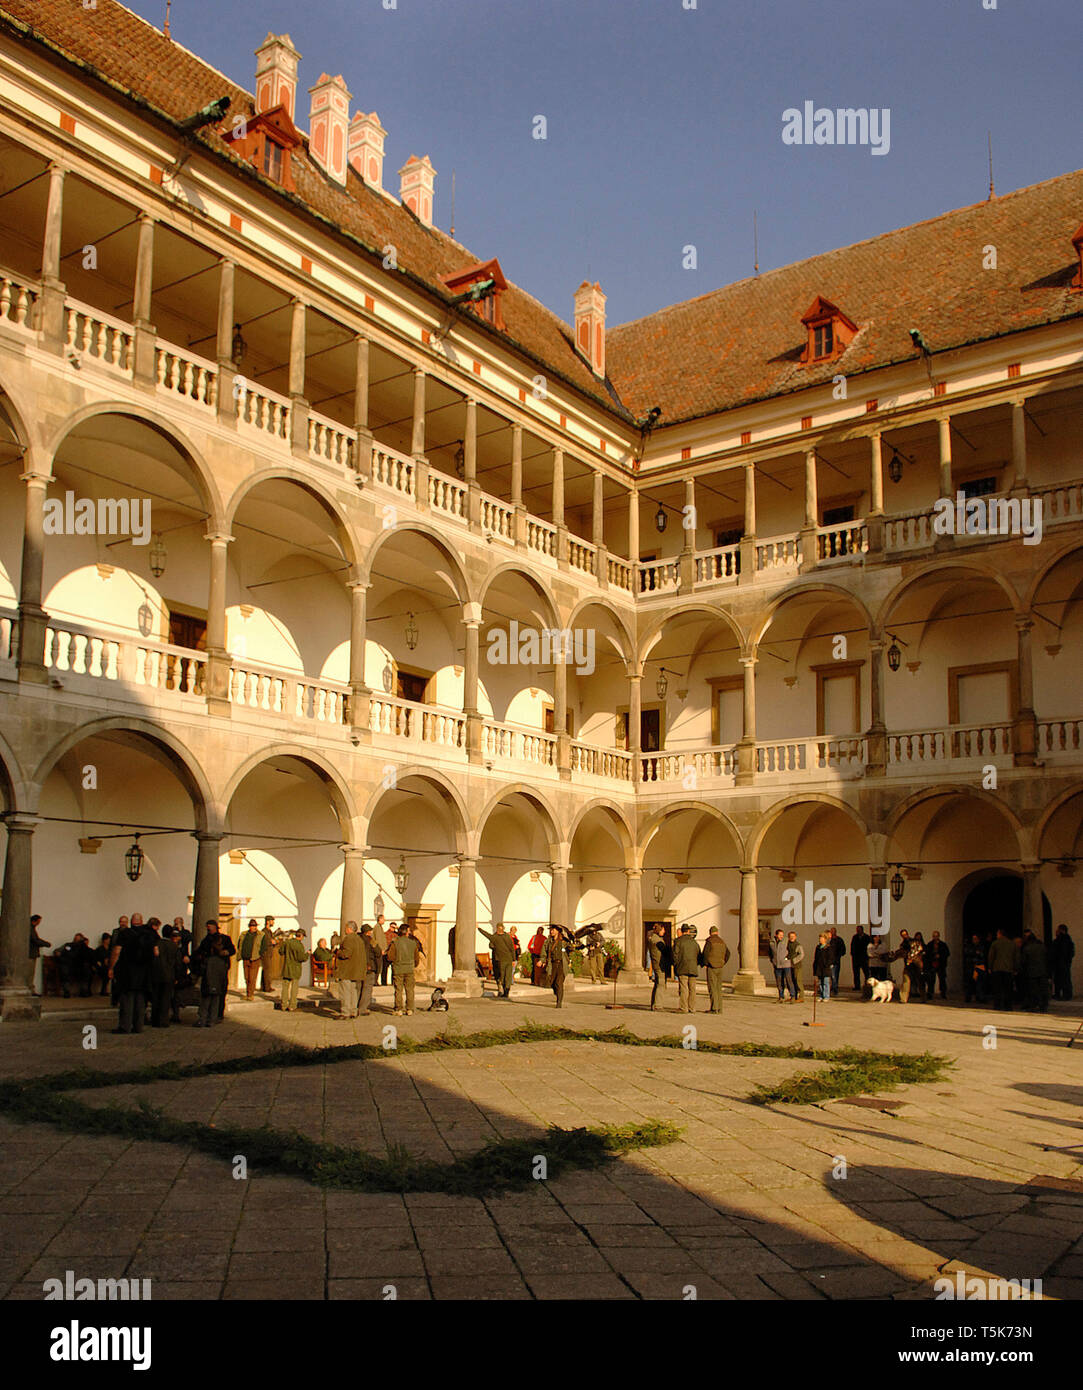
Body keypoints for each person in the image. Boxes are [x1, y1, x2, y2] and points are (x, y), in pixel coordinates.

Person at [109, 916, 155, 1034]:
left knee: (127, 999)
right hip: (144, 972)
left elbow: (117, 951)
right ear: (141, 921)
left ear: (131, 922)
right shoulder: (150, 934)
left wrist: (112, 967)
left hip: (127, 971)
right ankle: (138, 1026)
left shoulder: (125, 933)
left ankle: (125, 1026)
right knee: (140, 1000)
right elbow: (155, 952)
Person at [194, 920, 235, 1019]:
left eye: (210, 927)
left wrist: (225, 952)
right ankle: (209, 1015)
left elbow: (232, 950)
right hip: (209, 970)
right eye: (207, 927)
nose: (209, 929)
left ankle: (218, 1015)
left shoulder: (225, 939)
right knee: (208, 992)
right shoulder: (206, 940)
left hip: (221, 970)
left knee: (220, 993)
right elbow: (199, 952)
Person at [151, 923, 179, 1028]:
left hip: (157, 974)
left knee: (156, 997)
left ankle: (155, 1019)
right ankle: (163, 1020)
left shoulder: (157, 943)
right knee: (166, 999)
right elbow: (177, 963)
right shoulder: (174, 946)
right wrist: (177, 976)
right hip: (169, 975)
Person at [196, 937, 229, 1027]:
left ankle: (202, 1020)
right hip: (218, 985)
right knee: (215, 1003)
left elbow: (202, 971)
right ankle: (212, 1021)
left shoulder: (207, 961)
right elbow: (223, 976)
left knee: (205, 1003)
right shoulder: (222, 962)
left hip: (208, 984)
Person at [334, 922, 363, 1019]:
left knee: (345, 991)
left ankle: (345, 1011)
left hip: (347, 969)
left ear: (350, 929)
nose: (345, 929)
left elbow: (346, 953)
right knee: (353, 991)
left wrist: (337, 952)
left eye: (346, 928)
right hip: (355, 969)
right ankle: (353, 1011)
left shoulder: (349, 939)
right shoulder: (359, 939)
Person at [480, 923, 517, 999]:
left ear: (497, 929)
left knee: (503, 976)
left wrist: (478, 928)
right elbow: (512, 948)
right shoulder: (507, 936)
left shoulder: (495, 937)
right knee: (507, 976)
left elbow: (487, 935)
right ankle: (506, 992)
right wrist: (514, 959)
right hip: (508, 959)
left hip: (501, 960)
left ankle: (505, 992)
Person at [389, 924, 420, 1015]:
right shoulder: (413, 943)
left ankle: (398, 1009)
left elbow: (390, 956)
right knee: (410, 989)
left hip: (398, 968)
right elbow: (416, 957)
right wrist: (414, 965)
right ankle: (409, 1009)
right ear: (406, 932)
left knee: (398, 989)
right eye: (409, 931)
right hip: (409, 969)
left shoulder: (395, 942)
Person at [987, 928, 1019, 1012]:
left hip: (997, 969)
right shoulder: (1013, 944)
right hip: (1008, 969)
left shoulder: (995, 943)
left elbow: (991, 957)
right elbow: (1016, 957)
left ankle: (997, 1005)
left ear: (1000, 934)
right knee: (1008, 988)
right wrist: (1016, 968)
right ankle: (1008, 1006)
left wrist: (990, 967)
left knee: (997, 988)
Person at [672, 924, 702, 1014]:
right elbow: (699, 954)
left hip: (682, 967)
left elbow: (675, 955)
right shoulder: (694, 942)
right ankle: (692, 1008)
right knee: (692, 988)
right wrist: (697, 963)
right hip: (693, 968)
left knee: (684, 988)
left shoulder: (678, 941)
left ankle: (683, 1007)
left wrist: (676, 964)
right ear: (688, 931)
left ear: (681, 931)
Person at [1018, 929, 1049, 1013]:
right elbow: (1047, 958)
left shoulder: (1027, 948)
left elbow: (1023, 961)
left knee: (1033, 990)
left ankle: (1033, 1005)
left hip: (1031, 972)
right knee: (1043, 990)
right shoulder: (1042, 947)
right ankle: (1043, 1006)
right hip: (1042, 971)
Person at [702, 927, 730, 1013]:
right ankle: (720, 1008)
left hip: (712, 967)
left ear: (710, 932)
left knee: (712, 988)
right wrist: (723, 962)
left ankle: (714, 1008)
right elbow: (728, 953)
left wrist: (705, 964)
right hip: (720, 967)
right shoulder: (722, 941)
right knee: (718, 988)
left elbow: (705, 954)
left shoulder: (710, 941)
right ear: (717, 932)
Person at [279, 929, 308, 1012]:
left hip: (287, 967)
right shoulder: (299, 945)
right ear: (301, 936)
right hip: (295, 968)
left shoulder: (287, 942)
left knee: (285, 987)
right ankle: (292, 1005)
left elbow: (280, 951)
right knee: (294, 987)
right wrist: (307, 954)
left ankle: (284, 1005)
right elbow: (301, 958)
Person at [541, 925, 568, 1008]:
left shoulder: (563, 941)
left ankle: (559, 1002)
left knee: (559, 983)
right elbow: (544, 951)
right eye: (551, 930)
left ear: (557, 931)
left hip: (561, 965)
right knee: (552, 983)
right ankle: (557, 994)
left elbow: (571, 948)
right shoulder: (548, 941)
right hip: (552, 964)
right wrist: (542, 960)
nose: (551, 931)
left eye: (553, 930)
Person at [237, 918, 264, 999]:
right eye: (252, 926)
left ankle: (251, 994)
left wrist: (259, 954)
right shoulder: (243, 934)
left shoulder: (261, 935)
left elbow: (264, 946)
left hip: (255, 958)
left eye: (255, 926)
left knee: (252, 978)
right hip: (246, 958)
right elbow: (239, 945)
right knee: (247, 977)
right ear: (249, 927)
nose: (254, 927)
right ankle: (247, 993)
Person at [358, 924, 379, 1015]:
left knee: (358, 987)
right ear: (368, 932)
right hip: (369, 967)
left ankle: (355, 1006)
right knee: (367, 988)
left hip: (358, 967)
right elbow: (378, 951)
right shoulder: (371, 940)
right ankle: (362, 1008)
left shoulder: (357, 939)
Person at [771, 928, 797, 1002]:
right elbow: (770, 953)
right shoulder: (772, 942)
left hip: (786, 964)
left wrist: (787, 958)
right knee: (779, 981)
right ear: (776, 935)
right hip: (777, 964)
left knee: (789, 980)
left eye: (782, 935)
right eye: (780, 935)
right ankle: (781, 996)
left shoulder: (786, 941)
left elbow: (792, 951)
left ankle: (792, 995)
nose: (781, 936)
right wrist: (772, 960)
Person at [29, 915, 51, 996]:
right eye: (39, 921)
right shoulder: (30, 929)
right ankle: (30, 990)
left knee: (31, 973)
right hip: (30, 953)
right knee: (30, 973)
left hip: (32, 953)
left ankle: (31, 990)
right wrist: (46, 944)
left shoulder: (31, 928)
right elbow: (35, 940)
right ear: (35, 921)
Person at [963, 933, 989, 1004]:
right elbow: (967, 953)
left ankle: (980, 997)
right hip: (970, 967)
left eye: (976, 939)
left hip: (979, 967)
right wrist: (975, 953)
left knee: (980, 984)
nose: (974, 940)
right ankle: (968, 997)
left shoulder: (982, 947)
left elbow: (983, 955)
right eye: (973, 939)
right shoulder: (969, 946)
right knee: (970, 983)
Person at [1051, 924, 1074, 1001]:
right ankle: (1066, 994)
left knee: (1061, 980)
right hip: (1064, 964)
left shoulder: (1060, 941)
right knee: (1065, 979)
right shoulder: (1068, 941)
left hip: (1060, 964)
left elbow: (1057, 952)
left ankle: (1062, 994)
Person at [900, 933, 926, 1003]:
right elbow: (902, 953)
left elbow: (923, 955)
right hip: (909, 966)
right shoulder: (903, 945)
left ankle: (923, 998)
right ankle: (903, 999)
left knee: (920, 982)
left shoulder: (921, 947)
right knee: (906, 981)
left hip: (917, 967)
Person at [924, 931, 950, 1000]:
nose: (935, 937)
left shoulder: (943, 945)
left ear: (939, 936)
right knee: (931, 980)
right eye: (934, 936)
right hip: (932, 964)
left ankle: (943, 993)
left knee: (942, 979)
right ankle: (930, 993)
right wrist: (932, 957)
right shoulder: (930, 944)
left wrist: (940, 956)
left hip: (941, 964)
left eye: (936, 936)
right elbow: (927, 954)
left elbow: (947, 953)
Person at [647, 925, 666, 1010]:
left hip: (657, 964)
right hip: (659, 964)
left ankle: (654, 1004)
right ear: (659, 930)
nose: (664, 931)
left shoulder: (654, 939)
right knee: (661, 984)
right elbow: (664, 950)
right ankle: (658, 1005)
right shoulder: (657, 940)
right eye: (663, 930)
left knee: (658, 983)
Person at [812, 931, 833, 1002]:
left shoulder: (828, 947)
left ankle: (826, 996)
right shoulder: (818, 947)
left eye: (822, 938)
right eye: (820, 938)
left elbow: (830, 958)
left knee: (826, 982)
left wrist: (827, 965)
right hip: (819, 968)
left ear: (825, 939)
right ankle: (821, 995)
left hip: (826, 968)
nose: (820, 939)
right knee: (820, 983)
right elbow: (816, 958)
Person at [259, 916, 277, 994]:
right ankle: (267, 987)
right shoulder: (264, 931)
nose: (273, 923)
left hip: (269, 952)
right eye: (272, 921)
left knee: (266, 969)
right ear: (268, 921)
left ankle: (264, 986)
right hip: (265, 953)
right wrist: (271, 942)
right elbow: (264, 942)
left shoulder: (269, 931)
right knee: (267, 970)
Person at [850, 925, 870, 991]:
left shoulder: (867, 937)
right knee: (856, 973)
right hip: (856, 958)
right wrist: (853, 954)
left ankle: (867, 986)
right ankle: (857, 986)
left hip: (864, 958)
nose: (858, 931)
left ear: (862, 930)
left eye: (859, 929)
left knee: (866, 973)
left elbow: (868, 947)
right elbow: (852, 946)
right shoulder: (855, 937)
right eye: (857, 930)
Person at [827, 926, 846, 996]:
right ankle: (832, 988)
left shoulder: (839, 940)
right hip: (829, 961)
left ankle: (835, 989)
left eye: (833, 931)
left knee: (834, 976)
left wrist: (838, 957)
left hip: (836, 961)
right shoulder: (829, 941)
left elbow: (843, 950)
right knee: (831, 976)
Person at [787, 931, 805, 1002]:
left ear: (795, 937)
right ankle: (793, 996)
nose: (791, 938)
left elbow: (802, 954)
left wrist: (794, 960)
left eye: (793, 936)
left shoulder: (798, 945)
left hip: (797, 966)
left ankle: (801, 997)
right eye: (790, 936)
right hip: (789, 965)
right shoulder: (787, 944)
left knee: (798, 981)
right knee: (791, 981)